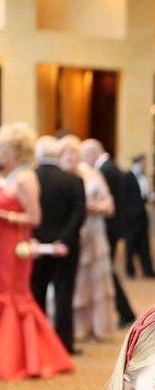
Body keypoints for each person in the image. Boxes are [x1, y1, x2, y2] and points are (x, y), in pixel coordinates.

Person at [0, 122, 73, 380]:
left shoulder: (25, 178)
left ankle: (24, 358)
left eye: (3, 148)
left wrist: (5, 215)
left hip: (15, 248)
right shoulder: (9, 176)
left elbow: (34, 218)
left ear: (16, 151)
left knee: (14, 296)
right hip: (3, 245)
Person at [32, 134, 86, 354]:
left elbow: (27, 212)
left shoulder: (29, 178)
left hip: (34, 248)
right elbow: (79, 214)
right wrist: (63, 240)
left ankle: (37, 344)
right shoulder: (73, 180)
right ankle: (64, 345)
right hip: (66, 248)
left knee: (36, 296)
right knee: (64, 296)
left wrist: (33, 238)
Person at [59, 135, 117, 341]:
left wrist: (95, 207)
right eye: (66, 152)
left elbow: (109, 205)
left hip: (93, 233)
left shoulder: (91, 174)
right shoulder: (59, 175)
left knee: (95, 281)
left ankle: (95, 327)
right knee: (72, 282)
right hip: (68, 233)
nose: (70, 156)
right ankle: (72, 328)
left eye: (73, 152)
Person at [79, 139, 135, 326]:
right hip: (108, 227)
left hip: (106, 229)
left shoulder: (106, 170)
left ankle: (124, 312)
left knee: (107, 272)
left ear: (92, 153)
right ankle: (123, 312)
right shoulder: (109, 167)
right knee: (107, 272)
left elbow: (110, 202)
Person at [123, 153, 155, 279]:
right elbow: (124, 197)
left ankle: (148, 270)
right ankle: (130, 270)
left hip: (142, 214)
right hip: (131, 216)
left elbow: (142, 195)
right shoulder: (127, 177)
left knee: (144, 243)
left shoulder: (144, 176)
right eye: (144, 162)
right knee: (131, 243)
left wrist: (149, 198)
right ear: (138, 162)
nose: (146, 164)